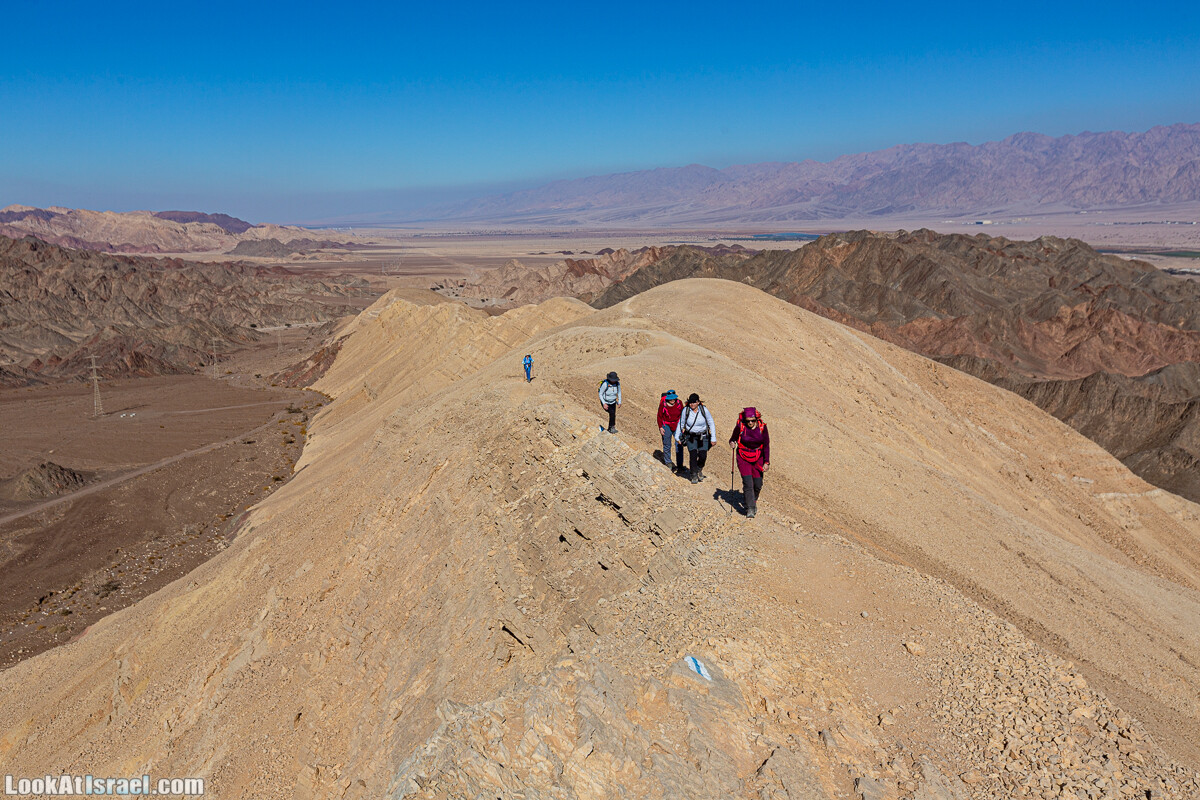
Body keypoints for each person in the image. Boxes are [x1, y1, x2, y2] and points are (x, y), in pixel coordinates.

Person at [729, 407, 770, 518]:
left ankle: (753, 499)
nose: (750, 423)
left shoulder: (762, 427)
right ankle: (750, 508)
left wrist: (766, 462)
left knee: (758, 484)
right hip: (743, 456)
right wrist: (732, 443)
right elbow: (733, 438)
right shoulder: (740, 426)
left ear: (756, 419)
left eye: (752, 420)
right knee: (748, 483)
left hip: (758, 457)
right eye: (748, 421)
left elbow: (766, 445)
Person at [674, 393, 715, 483]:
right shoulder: (686, 410)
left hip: (703, 436)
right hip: (690, 436)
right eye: (690, 403)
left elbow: (711, 422)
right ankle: (693, 474)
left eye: (694, 402)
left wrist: (713, 438)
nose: (692, 404)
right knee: (693, 455)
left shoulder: (704, 410)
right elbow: (681, 424)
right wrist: (677, 437)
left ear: (698, 402)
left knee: (702, 455)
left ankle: (699, 469)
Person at [657, 390, 684, 472]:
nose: (673, 400)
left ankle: (680, 465)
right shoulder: (663, 404)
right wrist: (660, 427)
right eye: (671, 399)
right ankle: (668, 462)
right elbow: (659, 416)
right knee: (667, 444)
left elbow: (683, 415)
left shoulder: (679, 403)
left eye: (674, 399)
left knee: (679, 445)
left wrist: (683, 427)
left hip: (677, 425)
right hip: (666, 425)